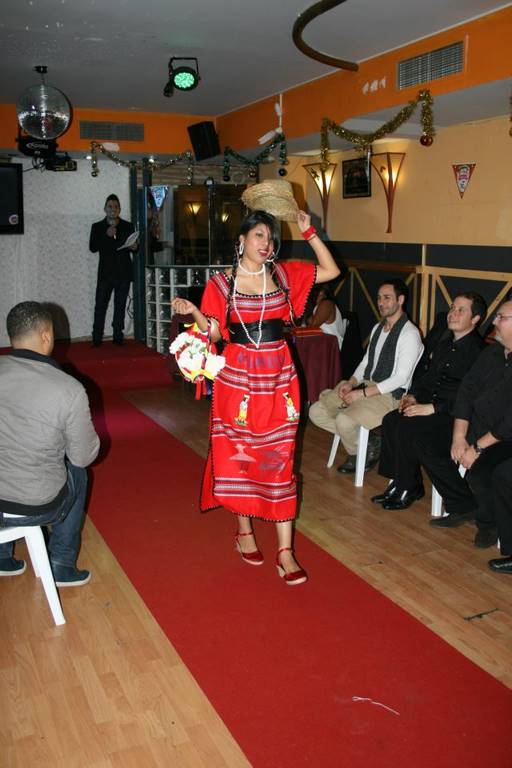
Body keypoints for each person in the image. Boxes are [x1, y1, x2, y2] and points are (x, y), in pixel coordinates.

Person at [171, 209, 340, 585]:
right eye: (259, 235)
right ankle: (244, 530)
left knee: (280, 460)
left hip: (279, 379)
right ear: (242, 240)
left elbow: (331, 270)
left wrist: (309, 231)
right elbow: (215, 334)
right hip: (238, 380)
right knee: (240, 456)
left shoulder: (283, 274)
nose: (266, 243)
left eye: (271, 237)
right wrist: (195, 311)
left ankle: (285, 551)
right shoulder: (222, 282)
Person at [0, 302, 100, 585]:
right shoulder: (68, 388)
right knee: (78, 472)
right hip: (36, 506)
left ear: (12, 336)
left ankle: (2, 555)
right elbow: (83, 457)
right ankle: (61, 564)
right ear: (46, 336)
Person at [373, 292, 486, 510]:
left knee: (407, 428)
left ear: (475, 319)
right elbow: (428, 378)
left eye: (461, 310)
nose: (452, 313)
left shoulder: (480, 352)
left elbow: (471, 398)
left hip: (456, 416)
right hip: (431, 406)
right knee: (391, 420)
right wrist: (413, 395)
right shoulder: (444, 344)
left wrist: (433, 408)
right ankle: (404, 481)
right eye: (452, 307)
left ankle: (407, 486)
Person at [415, 300, 512, 552]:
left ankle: (488, 523)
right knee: (427, 443)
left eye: (501, 317)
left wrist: (477, 448)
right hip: (477, 425)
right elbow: (466, 392)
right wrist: (459, 436)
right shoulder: (491, 353)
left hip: (503, 437)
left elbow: (509, 423)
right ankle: (463, 504)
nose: (494, 322)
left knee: (481, 471)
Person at [308, 279, 423, 474]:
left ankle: (357, 450)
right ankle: (370, 442)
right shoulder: (378, 328)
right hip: (365, 385)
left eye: (387, 298)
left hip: (390, 396)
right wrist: (351, 382)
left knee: (344, 420)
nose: (381, 303)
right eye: (379, 298)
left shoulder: (409, 334)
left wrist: (361, 394)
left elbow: (401, 378)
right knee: (315, 411)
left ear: (400, 300)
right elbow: (365, 363)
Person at [89, 194, 138, 346]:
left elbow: (134, 248)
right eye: (110, 206)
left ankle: (118, 336)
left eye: (116, 207)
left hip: (123, 272)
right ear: (105, 209)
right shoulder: (97, 227)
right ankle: (97, 337)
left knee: (120, 306)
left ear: (119, 209)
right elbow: (92, 248)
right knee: (100, 306)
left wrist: (135, 247)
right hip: (105, 274)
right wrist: (106, 235)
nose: (113, 209)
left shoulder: (128, 226)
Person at [306, 284, 347, 350]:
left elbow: (313, 324)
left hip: (330, 349)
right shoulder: (319, 305)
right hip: (324, 346)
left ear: (324, 293)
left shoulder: (326, 303)